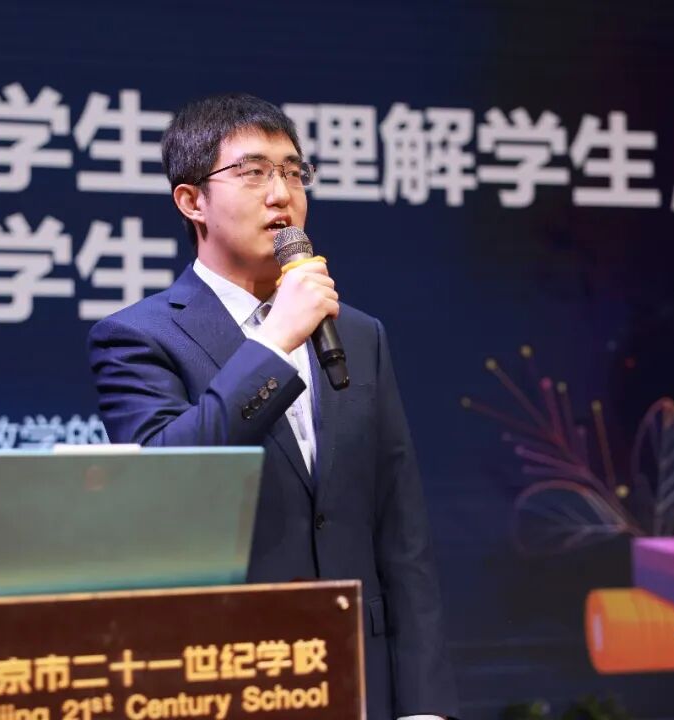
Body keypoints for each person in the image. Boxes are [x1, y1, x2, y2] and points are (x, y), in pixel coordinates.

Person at [87, 93, 458, 720]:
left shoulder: (357, 333)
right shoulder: (137, 336)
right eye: (253, 172)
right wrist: (274, 342)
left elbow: (402, 532)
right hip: (227, 673)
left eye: (293, 172)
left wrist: (425, 705)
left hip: (359, 672)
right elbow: (164, 480)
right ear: (192, 201)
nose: (282, 194)